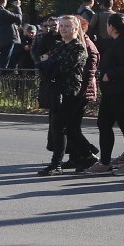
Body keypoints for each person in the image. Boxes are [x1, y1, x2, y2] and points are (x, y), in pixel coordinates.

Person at [39, 14, 97, 176]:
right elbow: (43, 65)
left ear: (76, 29)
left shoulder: (79, 47)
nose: (63, 29)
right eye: (61, 26)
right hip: (56, 91)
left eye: (67, 26)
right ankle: (87, 155)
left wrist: (49, 64)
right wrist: (48, 64)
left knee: (60, 126)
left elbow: (61, 68)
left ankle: (57, 163)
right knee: (64, 127)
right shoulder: (57, 45)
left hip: (72, 92)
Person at [90, 12, 124, 174]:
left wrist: (109, 75)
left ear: (111, 27)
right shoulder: (118, 41)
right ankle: (105, 162)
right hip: (112, 91)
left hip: (123, 91)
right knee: (104, 124)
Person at [0, 0, 24, 69]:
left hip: (0, 41)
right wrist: (17, 7)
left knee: (10, 63)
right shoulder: (2, 12)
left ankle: (8, 77)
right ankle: (3, 78)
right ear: (5, 1)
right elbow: (18, 19)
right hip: (7, 40)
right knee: (5, 63)